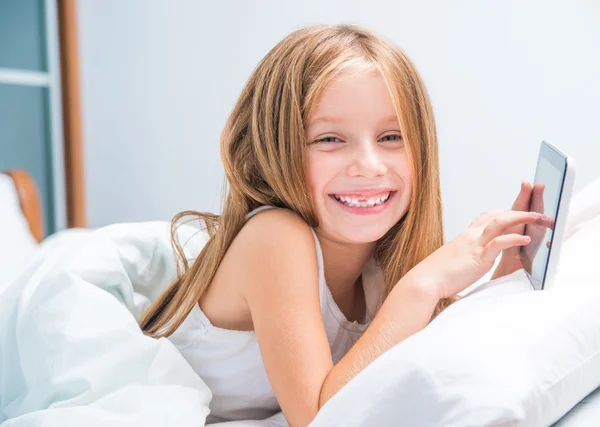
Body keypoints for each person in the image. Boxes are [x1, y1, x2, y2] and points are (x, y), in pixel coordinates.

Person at [139, 24, 551, 426]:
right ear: (276, 148)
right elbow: (321, 417)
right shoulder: (275, 237)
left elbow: (427, 347)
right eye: (330, 139)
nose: (369, 166)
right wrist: (423, 284)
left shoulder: (378, 259)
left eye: (391, 137)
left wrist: (506, 272)